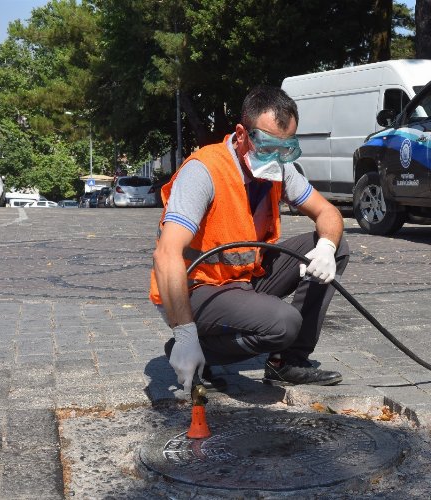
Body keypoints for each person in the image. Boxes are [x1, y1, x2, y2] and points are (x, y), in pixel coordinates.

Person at [150, 85, 349, 392]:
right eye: (267, 147)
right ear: (242, 134)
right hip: (197, 287)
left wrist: (325, 247)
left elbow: (328, 213)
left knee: (336, 246)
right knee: (284, 322)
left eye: (285, 149)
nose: (276, 158)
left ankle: (287, 362)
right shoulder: (205, 171)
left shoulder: (279, 167)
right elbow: (166, 256)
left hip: (243, 278)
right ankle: (194, 348)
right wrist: (186, 334)